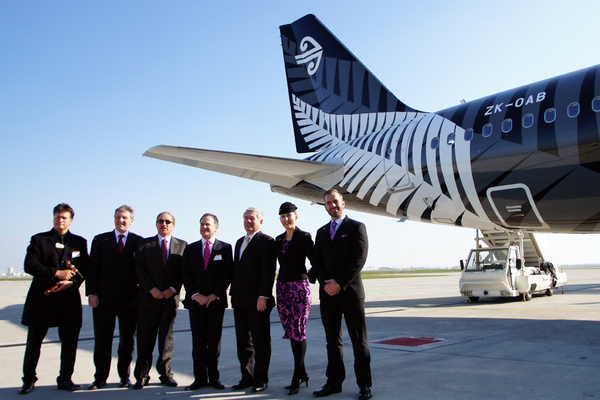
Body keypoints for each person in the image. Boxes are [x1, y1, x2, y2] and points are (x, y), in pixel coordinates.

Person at [19, 203, 89, 395]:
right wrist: (55, 273)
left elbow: (84, 269)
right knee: (34, 342)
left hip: (68, 300)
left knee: (69, 343)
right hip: (42, 299)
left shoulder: (79, 243)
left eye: (64, 217)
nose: (60, 220)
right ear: (53, 218)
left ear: (71, 220)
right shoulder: (39, 240)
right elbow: (30, 264)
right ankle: (29, 379)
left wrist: (73, 283)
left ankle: (65, 378)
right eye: (58, 217)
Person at [312, 189, 373, 400]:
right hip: (328, 295)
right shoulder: (321, 232)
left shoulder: (356, 228)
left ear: (343, 203)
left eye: (335, 202)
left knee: (359, 342)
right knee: (332, 342)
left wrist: (340, 283)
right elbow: (316, 260)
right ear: (325, 206)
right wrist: (326, 283)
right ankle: (334, 382)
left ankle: (365, 384)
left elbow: (359, 259)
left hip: (351, 293)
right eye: (328, 203)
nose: (332, 206)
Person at [86, 205, 141, 390]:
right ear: (114, 219)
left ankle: (124, 376)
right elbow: (92, 269)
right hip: (104, 300)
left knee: (128, 340)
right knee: (102, 340)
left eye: (125, 218)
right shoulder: (101, 240)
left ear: (131, 220)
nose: (121, 221)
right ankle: (100, 377)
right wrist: (92, 293)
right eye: (118, 217)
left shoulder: (138, 242)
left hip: (129, 300)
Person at [132, 212, 187, 389]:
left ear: (173, 224)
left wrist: (172, 289)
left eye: (167, 221)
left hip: (169, 301)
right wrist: (152, 289)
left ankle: (165, 374)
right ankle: (141, 375)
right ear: (156, 224)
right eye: (161, 221)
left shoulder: (182, 246)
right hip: (148, 300)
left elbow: (183, 272)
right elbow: (140, 269)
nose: (164, 224)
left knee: (166, 339)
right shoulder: (144, 244)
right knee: (145, 339)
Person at [181, 213, 233, 391]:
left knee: (214, 341)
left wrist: (214, 295)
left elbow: (227, 274)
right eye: (202, 224)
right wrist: (195, 294)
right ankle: (199, 378)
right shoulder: (190, 249)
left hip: (215, 303)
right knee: (198, 342)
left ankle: (214, 378)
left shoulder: (225, 248)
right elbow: (185, 274)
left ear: (216, 227)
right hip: (196, 303)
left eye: (208, 224)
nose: (205, 227)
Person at [229, 207, 276, 393]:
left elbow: (268, 271)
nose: (248, 221)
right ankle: (246, 377)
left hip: (258, 301)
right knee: (243, 342)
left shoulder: (266, 241)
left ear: (261, 221)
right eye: (246, 218)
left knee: (260, 341)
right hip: (239, 300)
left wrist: (263, 296)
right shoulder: (240, 242)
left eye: (252, 218)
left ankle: (261, 378)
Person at [275, 202, 314, 395]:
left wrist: (311, 277)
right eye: (282, 217)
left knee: (299, 330)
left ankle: (296, 378)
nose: (286, 219)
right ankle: (303, 372)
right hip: (282, 287)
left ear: (296, 216)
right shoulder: (279, 240)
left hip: (299, 288)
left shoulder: (304, 237)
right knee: (290, 331)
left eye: (289, 216)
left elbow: (316, 260)